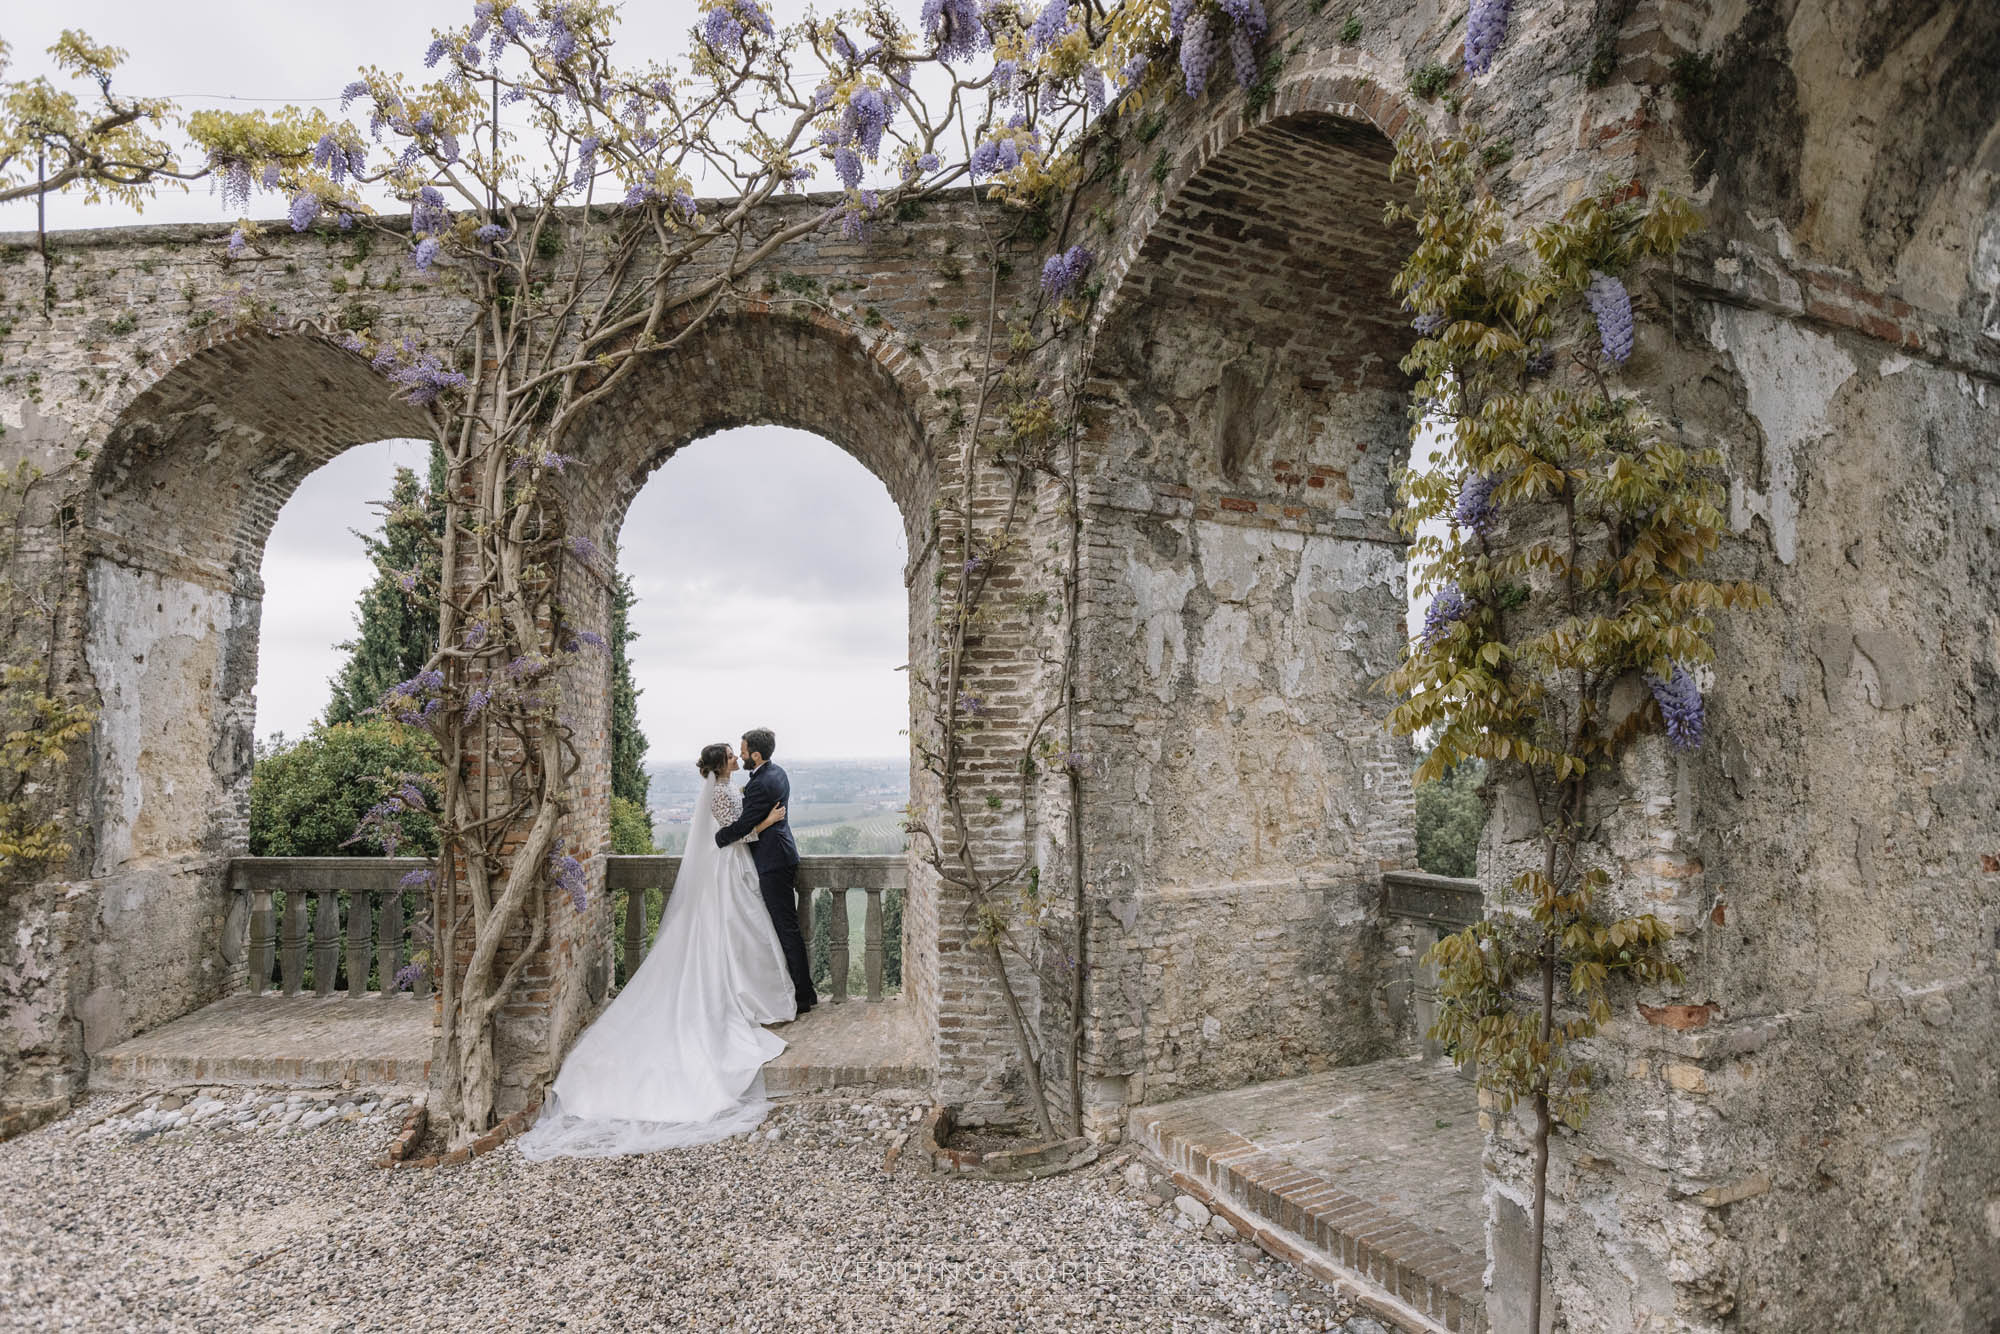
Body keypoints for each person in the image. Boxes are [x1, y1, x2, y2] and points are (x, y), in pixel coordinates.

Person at [515, 741, 797, 1159]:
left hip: (732, 869)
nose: (738, 759)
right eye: (732, 757)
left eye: (740, 754)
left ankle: (750, 992)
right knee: (733, 932)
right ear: (722, 765)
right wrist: (767, 822)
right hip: (728, 868)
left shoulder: (722, 788)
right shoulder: (720, 792)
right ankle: (744, 996)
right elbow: (725, 836)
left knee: (739, 934)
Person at [713, 727, 818, 1015]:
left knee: (786, 928)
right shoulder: (777, 772)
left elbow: (743, 825)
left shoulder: (760, 784)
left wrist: (720, 838)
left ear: (755, 755)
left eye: (743, 751)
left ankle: (803, 996)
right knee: (786, 927)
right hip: (780, 855)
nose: (741, 755)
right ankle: (803, 990)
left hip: (773, 862)